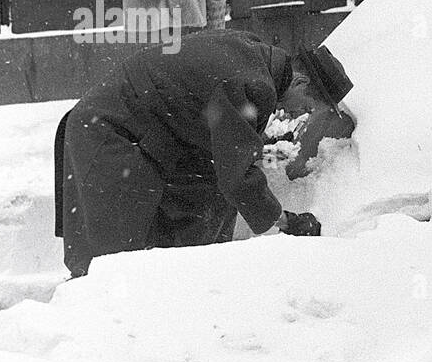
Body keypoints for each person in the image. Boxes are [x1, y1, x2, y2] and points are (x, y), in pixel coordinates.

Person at [54, 29, 322, 277]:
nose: (302, 113)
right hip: (112, 132)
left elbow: (225, 139)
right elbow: (236, 173)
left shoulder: (254, 56)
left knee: (206, 203)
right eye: (308, 106)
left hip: (136, 130)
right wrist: (288, 222)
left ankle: (193, 281)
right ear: (301, 82)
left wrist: (267, 158)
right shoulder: (252, 83)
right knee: (113, 264)